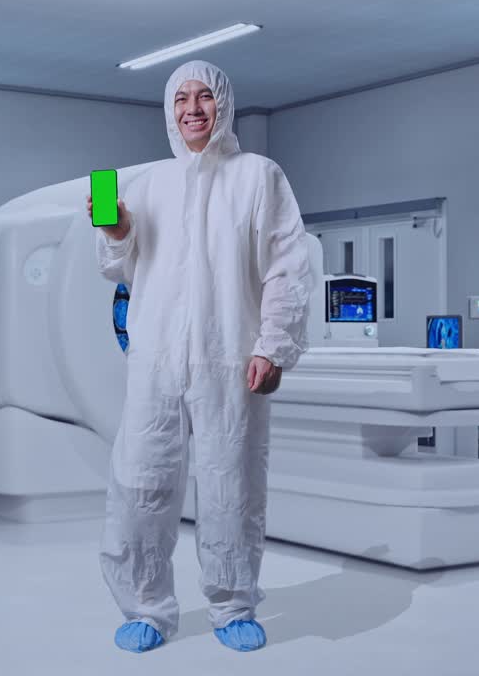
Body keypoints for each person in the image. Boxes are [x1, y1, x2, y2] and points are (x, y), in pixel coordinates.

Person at [85, 60, 312, 653]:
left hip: (230, 358)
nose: (192, 108)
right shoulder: (146, 183)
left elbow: (288, 267)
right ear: (168, 109)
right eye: (181, 98)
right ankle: (145, 607)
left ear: (225, 104)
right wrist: (116, 231)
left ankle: (233, 605)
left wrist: (273, 345)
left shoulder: (259, 176)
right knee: (140, 483)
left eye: (204, 96)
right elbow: (119, 267)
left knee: (230, 483)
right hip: (156, 359)